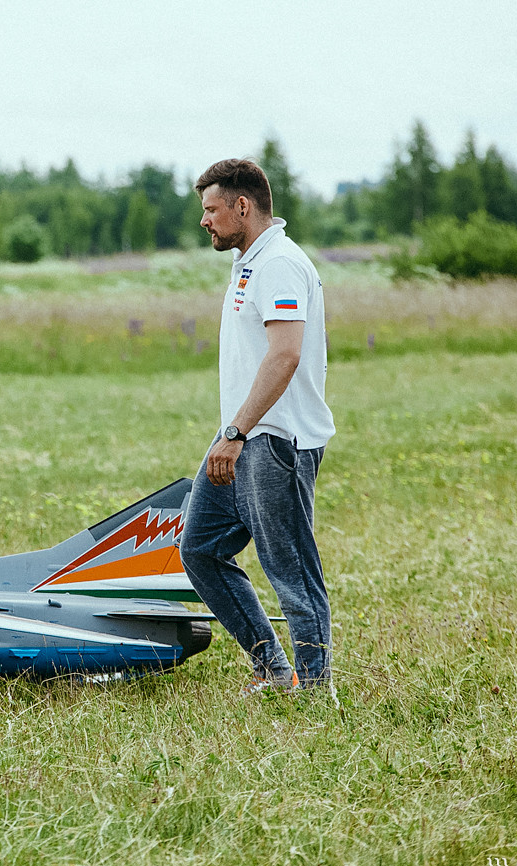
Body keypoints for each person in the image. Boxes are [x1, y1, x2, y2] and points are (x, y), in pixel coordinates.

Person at [177, 158, 336, 700]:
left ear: (242, 206)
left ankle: (314, 691)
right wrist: (233, 433)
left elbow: (285, 354)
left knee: (291, 570)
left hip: (274, 440)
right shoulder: (250, 262)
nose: (205, 220)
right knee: (201, 549)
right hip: (244, 435)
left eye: (211, 209)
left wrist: (236, 433)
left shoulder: (280, 265)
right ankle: (273, 669)